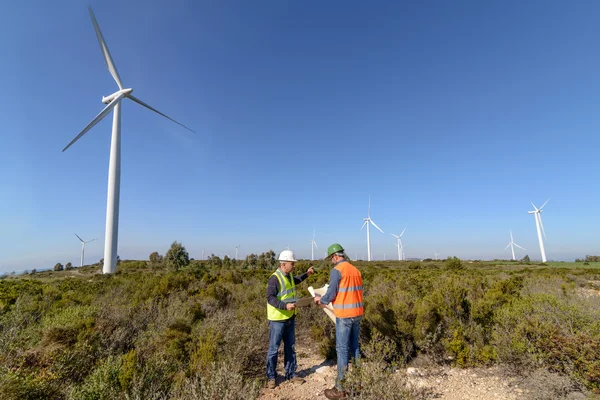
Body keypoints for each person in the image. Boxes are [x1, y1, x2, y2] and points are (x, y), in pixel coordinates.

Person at [314, 243, 363, 399]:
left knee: (342, 350)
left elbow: (331, 293)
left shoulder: (337, 271)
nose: (331, 262)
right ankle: (357, 383)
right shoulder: (355, 270)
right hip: (357, 314)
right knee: (355, 347)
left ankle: (340, 389)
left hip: (344, 315)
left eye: (331, 259)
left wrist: (320, 299)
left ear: (335, 256)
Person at [266, 249, 315, 389]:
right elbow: (270, 298)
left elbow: (297, 280)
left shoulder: (289, 276)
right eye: (292, 263)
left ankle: (291, 373)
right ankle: (271, 377)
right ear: (283, 264)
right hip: (277, 319)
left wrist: (307, 274)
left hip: (290, 318)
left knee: (290, 348)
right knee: (273, 350)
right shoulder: (274, 278)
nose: (294, 266)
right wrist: (284, 306)